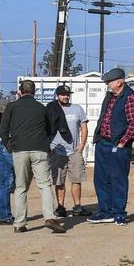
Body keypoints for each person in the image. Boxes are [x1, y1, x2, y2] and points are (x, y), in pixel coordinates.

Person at [0, 80, 65, 233]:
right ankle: (49, 217)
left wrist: (10, 145)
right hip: (39, 149)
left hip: (19, 150)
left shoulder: (11, 107)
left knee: (21, 187)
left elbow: (3, 130)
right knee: (45, 185)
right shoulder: (42, 108)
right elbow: (50, 129)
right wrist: (45, 141)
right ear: (34, 92)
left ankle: (19, 223)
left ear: (20, 91)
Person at [89, 68, 134, 226]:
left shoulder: (130, 97)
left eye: (109, 82)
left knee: (118, 179)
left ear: (119, 82)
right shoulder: (110, 97)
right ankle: (105, 211)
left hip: (118, 145)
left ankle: (119, 213)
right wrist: (98, 139)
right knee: (101, 179)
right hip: (103, 142)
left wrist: (122, 142)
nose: (107, 85)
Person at [48, 85, 89, 218]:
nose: (66, 96)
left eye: (67, 94)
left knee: (76, 179)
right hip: (57, 151)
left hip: (74, 151)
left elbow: (84, 127)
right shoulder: (51, 109)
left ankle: (77, 206)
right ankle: (60, 207)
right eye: (63, 94)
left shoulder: (77, 109)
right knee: (59, 181)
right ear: (57, 96)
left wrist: (82, 144)